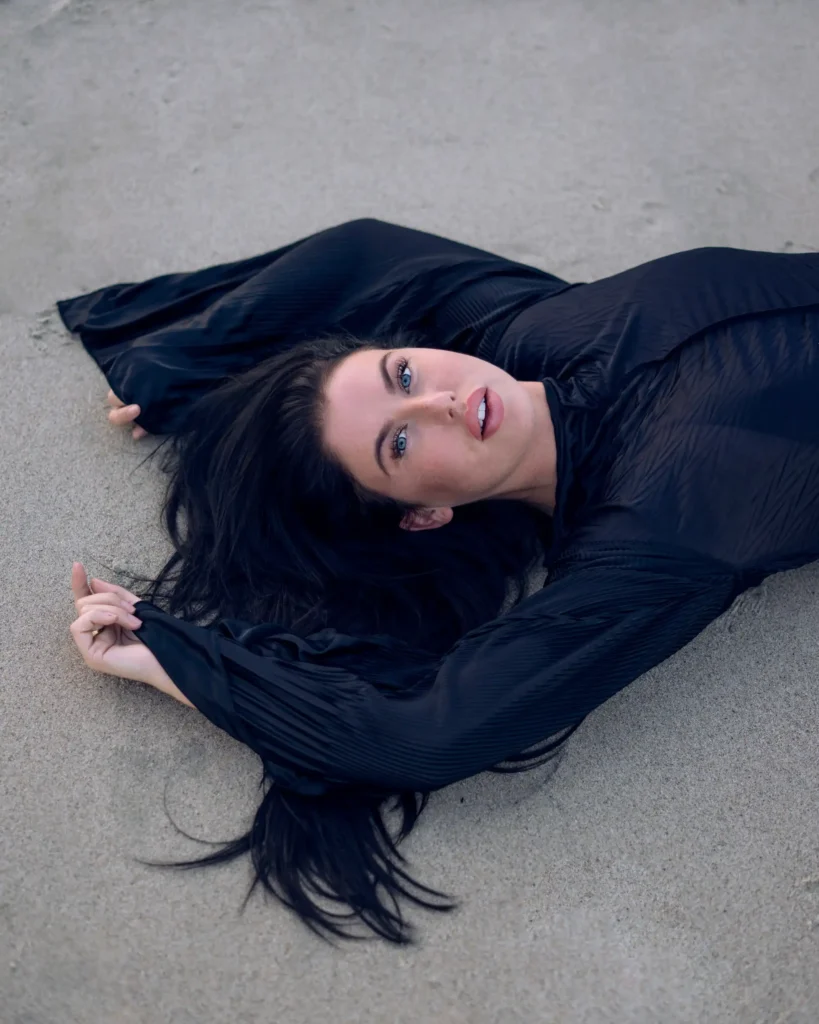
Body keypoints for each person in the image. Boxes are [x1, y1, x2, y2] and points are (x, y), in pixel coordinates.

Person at [60, 218, 819, 944]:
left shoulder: (530, 331)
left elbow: (365, 253)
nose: (440, 401)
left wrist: (183, 357)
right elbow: (427, 734)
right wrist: (174, 657)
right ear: (423, 515)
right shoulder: (653, 527)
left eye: (403, 373)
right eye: (398, 440)